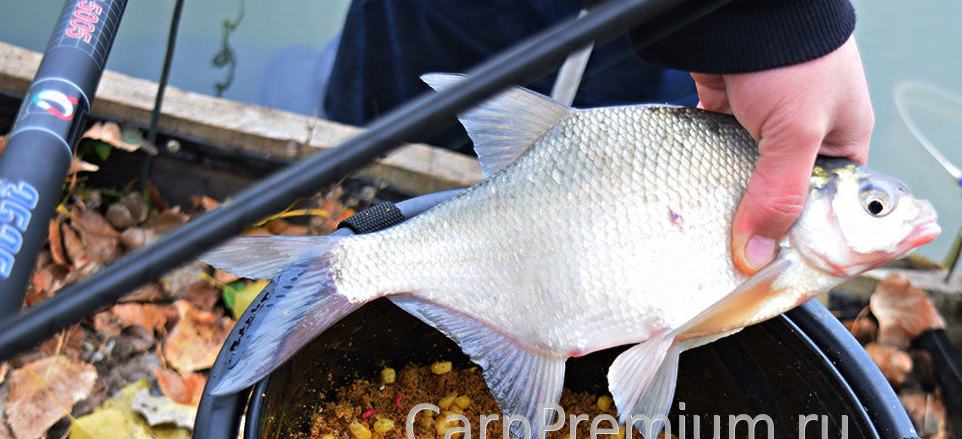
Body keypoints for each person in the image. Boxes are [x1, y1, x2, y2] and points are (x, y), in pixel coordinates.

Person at [323, 0, 873, 275]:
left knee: (672, 182)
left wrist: (745, 21)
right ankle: (351, 221)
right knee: (397, 115)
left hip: (666, 25)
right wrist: (778, 15)